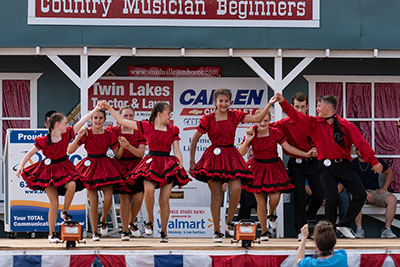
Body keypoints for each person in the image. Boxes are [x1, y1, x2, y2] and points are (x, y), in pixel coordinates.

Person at [275, 93, 383, 238]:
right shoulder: (313, 123)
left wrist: (373, 161)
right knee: (331, 198)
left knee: (360, 195)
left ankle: (344, 224)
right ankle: (330, 232)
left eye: (319, 106)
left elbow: (360, 143)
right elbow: (295, 116)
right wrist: (283, 103)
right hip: (325, 166)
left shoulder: (345, 125)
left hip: (344, 165)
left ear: (328, 107)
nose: (317, 108)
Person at [189, 89, 277, 243]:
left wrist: (269, 104)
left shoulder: (235, 115)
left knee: (236, 189)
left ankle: (229, 221)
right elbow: (195, 139)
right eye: (220, 101)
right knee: (216, 196)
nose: (223, 104)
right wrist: (192, 161)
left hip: (231, 155)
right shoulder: (208, 119)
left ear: (230, 102)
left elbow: (257, 117)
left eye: (226, 101)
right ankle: (216, 231)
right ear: (215, 102)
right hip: (214, 157)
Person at [102, 101, 191, 243]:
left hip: (167, 163)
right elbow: (120, 120)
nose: (170, 116)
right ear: (159, 114)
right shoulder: (146, 126)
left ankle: (164, 232)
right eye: (168, 113)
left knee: (164, 198)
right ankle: (150, 220)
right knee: (148, 191)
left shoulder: (173, 129)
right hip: (152, 163)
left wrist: (180, 162)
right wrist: (108, 108)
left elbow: (176, 148)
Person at [16, 105, 102, 243]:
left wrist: (94, 110)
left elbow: (82, 122)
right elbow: (31, 153)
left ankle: (65, 211)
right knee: (54, 203)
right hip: (48, 171)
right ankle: (51, 234)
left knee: (72, 184)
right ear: (57, 124)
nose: (67, 125)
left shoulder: (67, 133)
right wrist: (21, 165)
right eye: (65, 123)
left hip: (64, 166)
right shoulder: (45, 139)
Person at [239, 108, 313, 241]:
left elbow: (288, 147)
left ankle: (271, 213)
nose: (263, 123)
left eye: (266, 120)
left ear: (270, 121)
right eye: (260, 121)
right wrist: (247, 140)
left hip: (273, 167)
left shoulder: (275, 132)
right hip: (257, 167)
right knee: (260, 202)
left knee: (275, 197)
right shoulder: (252, 133)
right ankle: (264, 233)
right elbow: (241, 153)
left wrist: (305, 154)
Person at [68, 109, 125, 241]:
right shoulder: (86, 133)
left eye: (100, 118)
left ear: (105, 120)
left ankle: (103, 219)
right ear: (91, 119)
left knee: (108, 197)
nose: (98, 120)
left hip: (105, 165)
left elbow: (118, 155)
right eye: (95, 118)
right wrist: (78, 135)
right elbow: (69, 150)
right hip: (90, 166)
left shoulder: (109, 134)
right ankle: (95, 232)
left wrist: (123, 146)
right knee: (93, 201)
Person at [273, 92, 324, 240]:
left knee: (319, 195)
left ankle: (305, 218)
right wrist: (251, 132)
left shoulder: (313, 121)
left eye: (302, 107)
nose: (299, 110)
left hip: (313, 163)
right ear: (292, 106)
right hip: (296, 164)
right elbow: (266, 128)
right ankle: (301, 230)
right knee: (299, 196)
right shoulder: (284, 123)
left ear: (307, 107)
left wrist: (317, 149)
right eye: (296, 107)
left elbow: (324, 140)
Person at [107, 106, 146, 241]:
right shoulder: (114, 131)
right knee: (124, 198)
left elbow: (140, 153)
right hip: (120, 166)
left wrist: (128, 146)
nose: (128, 119)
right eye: (125, 116)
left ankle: (131, 222)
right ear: (119, 117)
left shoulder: (139, 131)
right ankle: (124, 231)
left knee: (139, 198)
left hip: (136, 166)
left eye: (131, 116)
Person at [352, 148, 397, 238]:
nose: (360, 150)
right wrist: (364, 193)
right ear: (355, 151)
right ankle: (359, 230)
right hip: (359, 191)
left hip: (375, 191)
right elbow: (351, 182)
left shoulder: (375, 161)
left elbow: (389, 172)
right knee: (354, 199)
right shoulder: (353, 163)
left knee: (392, 199)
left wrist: (384, 188)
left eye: (362, 148)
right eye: (358, 149)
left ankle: (387, 229)